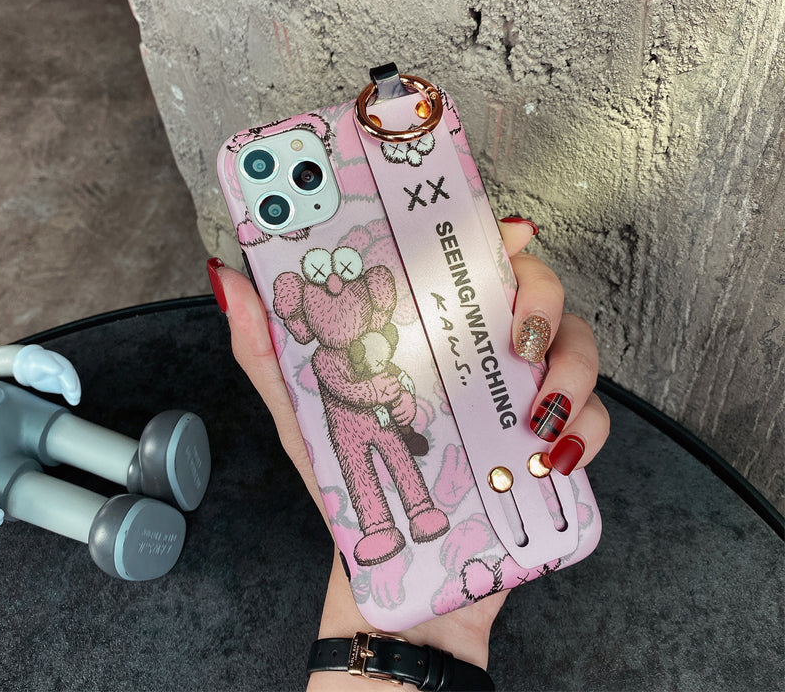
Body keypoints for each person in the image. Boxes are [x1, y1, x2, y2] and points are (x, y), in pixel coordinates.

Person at [207, 218, 610, 691]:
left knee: (402, 463)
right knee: (360, 478)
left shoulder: (382, 339)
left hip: (386, 420)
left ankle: (420, 510)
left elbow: (397, 376)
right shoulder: (322, 359)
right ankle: (379, 527)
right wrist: (382, 391)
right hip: (348, 428)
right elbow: (343, 387)